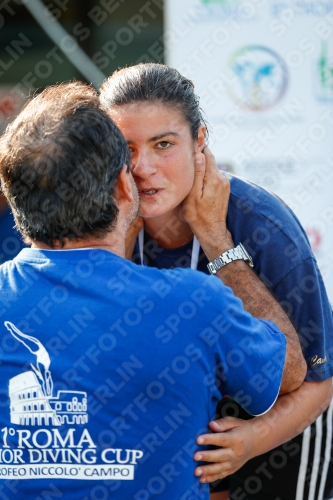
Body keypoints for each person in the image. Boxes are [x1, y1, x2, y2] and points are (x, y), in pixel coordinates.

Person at [0, 82, 305, 500]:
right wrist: (220, 245)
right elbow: (290, 371)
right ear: (125, 190)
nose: (145, 170)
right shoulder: (194, 302)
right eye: (129, 160)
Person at [99, 63, 333, 500]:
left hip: (283, 432)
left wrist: (254, 439)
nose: (143, 167)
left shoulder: (262, 223)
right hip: (185, 431)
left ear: (199, 142)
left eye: (163, 144)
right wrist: (120, 241)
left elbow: (319, 380)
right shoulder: (103, 221)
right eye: (125, 148)